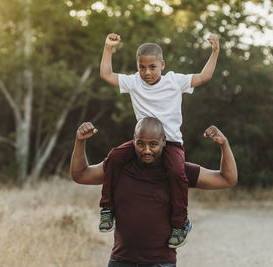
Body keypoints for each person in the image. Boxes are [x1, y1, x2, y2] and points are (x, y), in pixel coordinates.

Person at [99, 32, 220, 248]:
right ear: (137, 67)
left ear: (162, 64)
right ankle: (107, 208)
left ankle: (180, 223)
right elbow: (106, 74)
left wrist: (215, 50)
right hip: (142, 142)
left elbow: (204, 77)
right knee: (115, 157)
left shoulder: (175, 81)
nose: (146, 72)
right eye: (142, 67)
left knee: (176, 172)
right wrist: (108, 48)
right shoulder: (134, 82)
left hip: (171, 143)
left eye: (152, 67)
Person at [70, 118, 237, 266]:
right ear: (133, 141)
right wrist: (80, 141)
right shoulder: (118, 167)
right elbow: (80, 174)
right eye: (141, 144)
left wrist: (224, 144)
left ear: (164, 142)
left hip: (160, 263)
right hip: (120, 261)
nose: (147, 150)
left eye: (153, 144)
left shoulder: (178, 171)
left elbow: (227, 179)